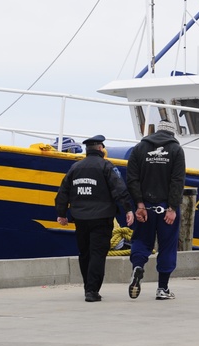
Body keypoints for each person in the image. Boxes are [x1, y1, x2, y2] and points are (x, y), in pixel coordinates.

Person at [55, 135, 134, 302]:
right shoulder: (106, 166)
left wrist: (61, 214)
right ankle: (92, 291)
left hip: (80, 218)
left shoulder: (75, 168)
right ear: (100, 149)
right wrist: (128, 209)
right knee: (97, 253)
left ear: (87, 150)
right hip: (102, 217)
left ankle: (87, 287)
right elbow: (119, 188)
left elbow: (63, 192)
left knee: (85, 253)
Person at [125, 119, 186, 300]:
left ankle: (137, 267)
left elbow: (132, 179)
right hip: (166, 208)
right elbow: (177, 181)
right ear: (172, 133)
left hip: (145, 208)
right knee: (167, 246)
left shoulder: (139, 149)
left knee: (141, 241)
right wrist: (173, 207)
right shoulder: (176, 150)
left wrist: (139, 205)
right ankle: (162, 288)